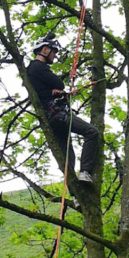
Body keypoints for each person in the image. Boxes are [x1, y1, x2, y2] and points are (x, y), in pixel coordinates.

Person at [26, 34, 101, 184]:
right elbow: (58, 83)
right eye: (53, 52)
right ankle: (85, 171)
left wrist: (56, 93)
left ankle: (76, 194)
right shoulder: (37, 66)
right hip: (57, 114)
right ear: (45, 50)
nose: (55, 56)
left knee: (68, 157)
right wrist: (57, 89)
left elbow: (46, 90)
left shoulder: (32, 71)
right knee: (92, 132)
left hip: (51, 116)